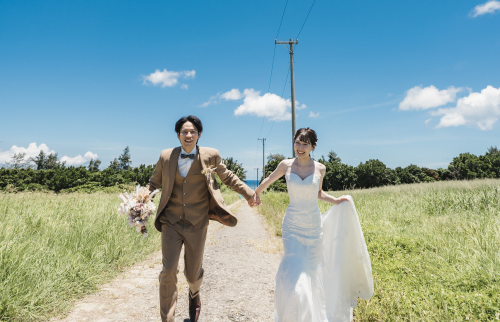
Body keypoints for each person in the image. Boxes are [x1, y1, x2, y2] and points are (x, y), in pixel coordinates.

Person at [147, 115, 260, 322]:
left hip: (197, 222)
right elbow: (153, 183)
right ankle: (167, 318)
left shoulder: (211, 155)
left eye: (192, 132)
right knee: (169, 270)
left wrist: (249, 193)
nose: (188, 135)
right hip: (170, 221)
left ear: (199, 135)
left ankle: (194, 292)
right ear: (178, 135)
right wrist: (140, 201)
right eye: (184, 132)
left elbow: (228, 177)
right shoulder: (166, 156)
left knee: (192, 273)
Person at [255, 128, 373, 322]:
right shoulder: (285, 165)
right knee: (295, 273)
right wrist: (255, 193)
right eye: (297, 142)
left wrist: (336, 200)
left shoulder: (320, 168)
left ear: (313, 147)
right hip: (292, 226)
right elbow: (268, 180)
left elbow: (318, 193)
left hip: (313, 227)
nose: (300, 147)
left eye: (305, 144)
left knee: (311, 272)